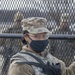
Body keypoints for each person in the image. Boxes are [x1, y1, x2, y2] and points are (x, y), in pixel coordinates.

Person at [8, 17, 75, 75]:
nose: (41, 39)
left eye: (44, 36)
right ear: (26, 37)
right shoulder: (20, 65)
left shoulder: (51, 59)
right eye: (36, 36)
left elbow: (67, 73)